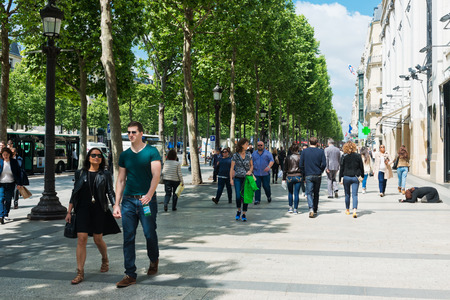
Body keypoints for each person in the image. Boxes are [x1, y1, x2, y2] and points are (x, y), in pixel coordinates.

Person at [113, 121, 162, 288]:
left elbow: (156, 175)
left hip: (146, 201)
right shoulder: (125, 155)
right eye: (129, 132)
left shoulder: (151, 152)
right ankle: (130, 274)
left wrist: (149, 195)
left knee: (149, 233)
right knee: (128, 237)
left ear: (142, 133)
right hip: (128, 201)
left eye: (134, 132)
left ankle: (153, 259)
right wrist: (116, 204)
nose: (131, 135)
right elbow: (120, 180)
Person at [65, 148, 120, 284]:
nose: (96, 157)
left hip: (99, 209)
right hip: (82, 209)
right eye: (93, 155)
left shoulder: (105, 174)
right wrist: (69, 211)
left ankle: (105, 258)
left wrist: (115, 206)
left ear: (102, 159)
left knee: (97, 239)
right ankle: (80, 272)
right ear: (88, 158)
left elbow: (110, 192)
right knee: (81, 239)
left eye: (99, 156)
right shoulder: (80, 173)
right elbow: (75, 192)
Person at [299, 137, 326, 218]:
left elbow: (300, 164)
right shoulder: (321, 151)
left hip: (308, 174)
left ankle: (311, 208)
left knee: (309, 193)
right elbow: (324, 164)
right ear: (317, 143)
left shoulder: (305, 151)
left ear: (309, 142)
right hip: (317, 175)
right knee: (316, 193)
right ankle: (315, 208)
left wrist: (304, 172)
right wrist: (320, 171)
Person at [339, 141, 364, 218]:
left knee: (347, 194)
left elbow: (341, 168)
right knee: (355, 194)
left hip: (346, 177)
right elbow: (361, 167)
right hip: (355, 177)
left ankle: (347, 209)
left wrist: (340, 178)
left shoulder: (343, 156)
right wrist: (362, 176)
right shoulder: (358, 156)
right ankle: (354, 211)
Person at [230, 138, 253, 221]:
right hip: (237, 178)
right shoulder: (235, 155)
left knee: (246, 196)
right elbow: (232, 168)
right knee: (238, 196)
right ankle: (238, 210)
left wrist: (250, 171)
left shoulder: (248, 154)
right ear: (242, 145)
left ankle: (244, 213)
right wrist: (231, 179)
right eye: (246, 144)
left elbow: (251, 165)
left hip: (246, 178)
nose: (248, 145)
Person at [0, 147, 24, 224]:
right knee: (1, 199)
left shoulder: (13, 162)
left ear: (9, 154)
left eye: (7, 154)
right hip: (1, 184)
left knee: (8, 199)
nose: (5, 156)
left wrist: (19, 184)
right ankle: (1, 215)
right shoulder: (0, 162)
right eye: (4, 155)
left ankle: (5, 214)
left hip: (11, 183)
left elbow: (18, 173)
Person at [282, 143, 302, 214]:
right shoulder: (300, 157)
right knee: (296, 193)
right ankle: (295, 209)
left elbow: (285, 169)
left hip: (289, 176)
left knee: (290, 192)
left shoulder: (287, 157)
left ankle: (290, 207)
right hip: (298, 176)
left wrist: (283, 178)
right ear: (297, 149)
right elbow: (303, 168)